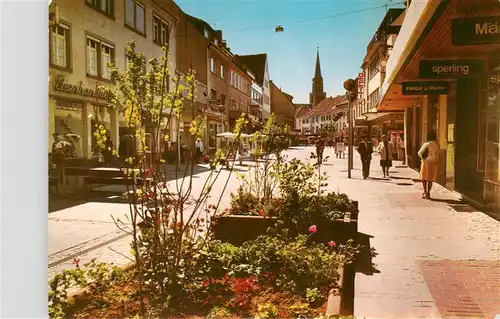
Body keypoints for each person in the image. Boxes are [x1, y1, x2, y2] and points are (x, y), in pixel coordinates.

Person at [418, 131, 440, 199]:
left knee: (424, 178)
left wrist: (423, 158)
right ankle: (429, 192)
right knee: (430, 179)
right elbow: (437, 154)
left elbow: (419, 153)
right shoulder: (436, 145)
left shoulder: (426, 144)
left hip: (426, 163)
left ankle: (425, 191)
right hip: (433, 163)